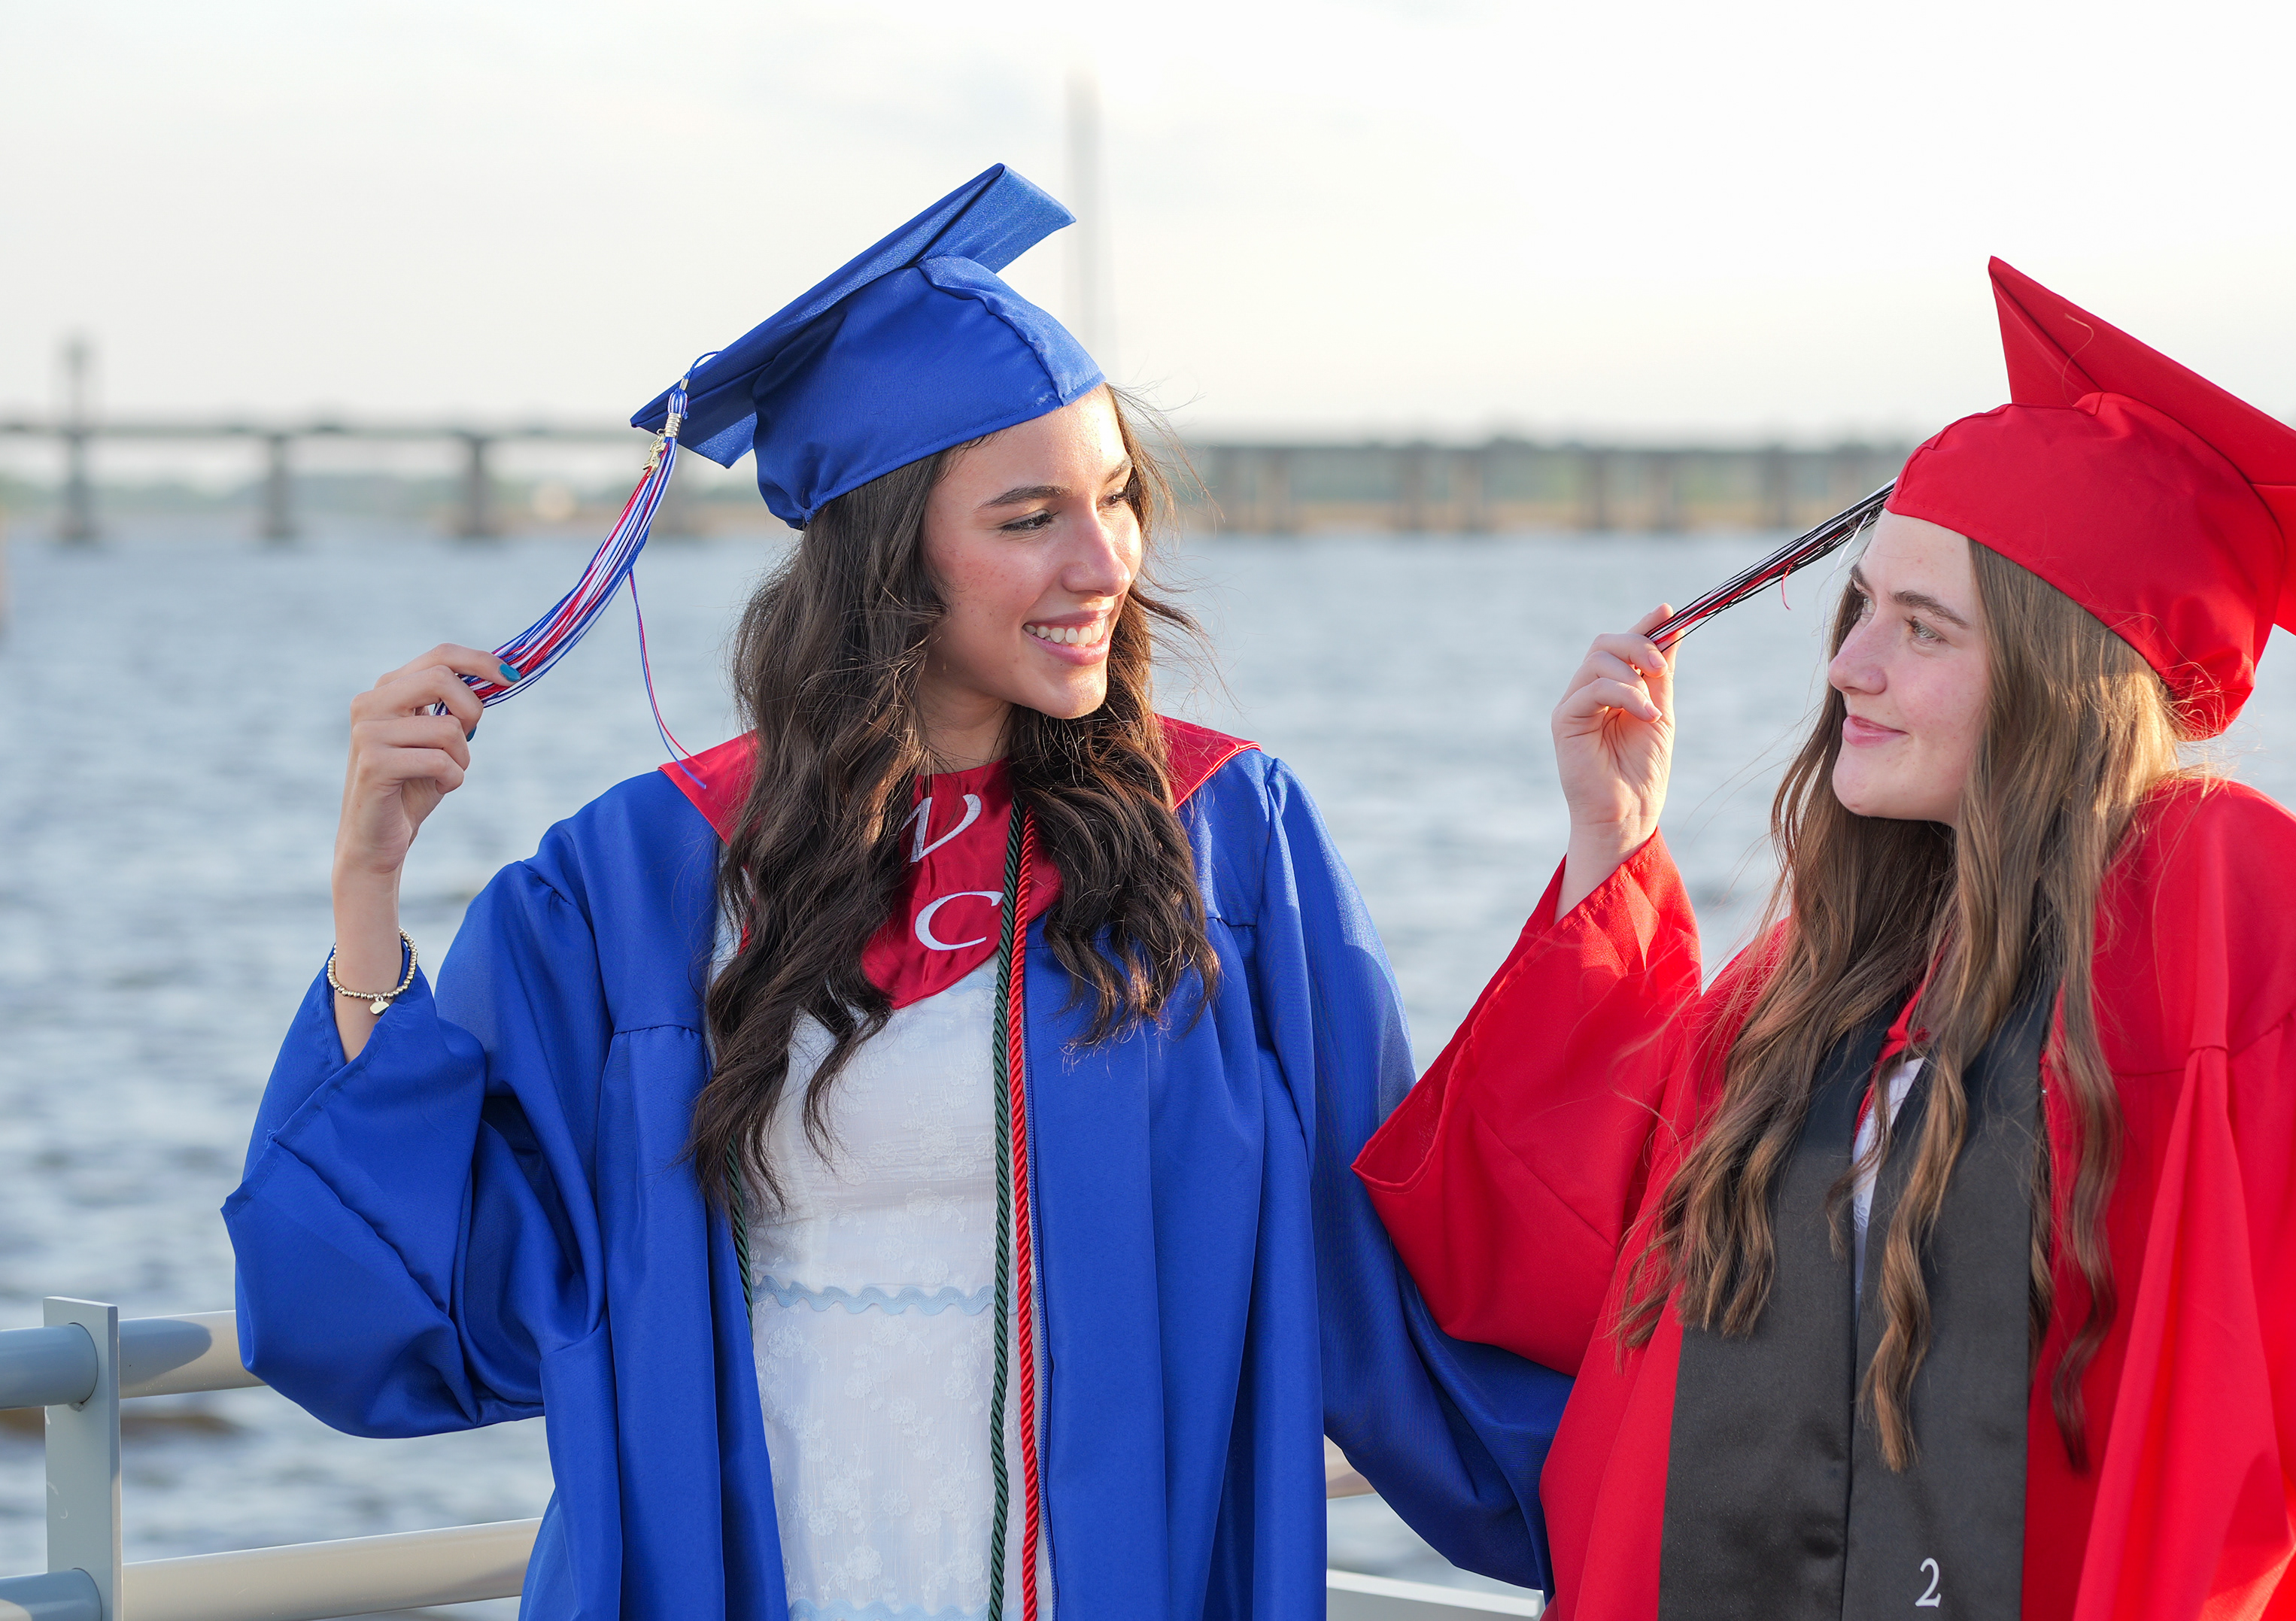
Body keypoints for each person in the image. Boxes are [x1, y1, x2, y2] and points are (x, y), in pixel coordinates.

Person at [1356, 259, 2296, 1620]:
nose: (1852, 669)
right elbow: (1556, 1265)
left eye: (1924, 629)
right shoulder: (1835, 968)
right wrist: (1613, 850)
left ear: (2059, 678)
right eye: (1859, 610)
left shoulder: (2232, 925)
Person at [225, 167, 1563, 1621]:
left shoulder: (1222, 839)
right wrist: (369, 887)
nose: (1105, 563)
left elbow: (1389, 1258)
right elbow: (420, 1305)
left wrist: (1609, 868)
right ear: (884, 557)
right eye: (1030, 517)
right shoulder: (639, 884)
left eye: (1117, 498)